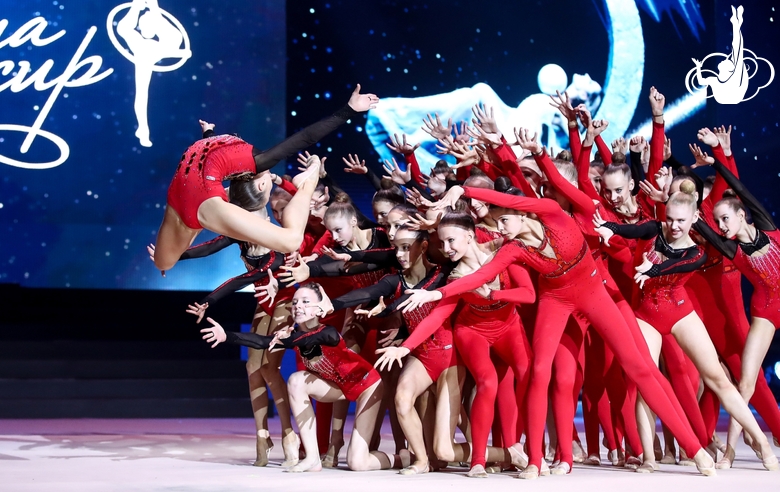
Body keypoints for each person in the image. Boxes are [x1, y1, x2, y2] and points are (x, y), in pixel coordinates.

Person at [396, 185, 717, 478]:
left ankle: (696, 450)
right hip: (556, 298)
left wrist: (462, 189)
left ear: (521, 215)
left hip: (592, 289)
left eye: (503, 221)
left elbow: (510, 200)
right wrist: (437, 294)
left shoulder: (551, 211)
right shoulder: (513, 249)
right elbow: (479, 276)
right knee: (539, 370)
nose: (500, 229)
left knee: (640, 367)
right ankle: (535, 460)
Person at [593, 184, 779, 472]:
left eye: (681, 220)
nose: (674, 226)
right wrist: (609, 228)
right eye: (670, 219)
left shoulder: (697, 253)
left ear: (694, 219)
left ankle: (764, 445)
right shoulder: (654, 228)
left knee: (718, 379)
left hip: (679, 311)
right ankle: (649, 458)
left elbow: (675, 267)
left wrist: (652, 270)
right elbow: (631, 230)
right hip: (646, 314)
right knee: (645, 383)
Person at [151, 86, 379, 274]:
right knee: (290, 240)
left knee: (164, 262)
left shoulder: (243, 159)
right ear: (258, 184)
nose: (271, 177)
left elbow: (304, 138)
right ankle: (308, 182)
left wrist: (208, 133)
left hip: (180, 190)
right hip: (200, 202)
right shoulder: (256, 162)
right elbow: (305, 138)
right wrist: (349, 110)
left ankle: (197, 225)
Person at [376, 212, 534, 478]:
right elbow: (439, 315)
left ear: (470, 236)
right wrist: (405, 347)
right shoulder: (455, 276)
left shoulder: (502, 253)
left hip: (508, 325)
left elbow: (528, 294)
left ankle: (532, 454)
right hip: (471, 331)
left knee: (530, 376)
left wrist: (495, 293)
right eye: (442, 242)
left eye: (451, 241)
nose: (446, 249)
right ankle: (480, 460)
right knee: (488, 382)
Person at [199, 283, 403, 472]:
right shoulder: (293, 334)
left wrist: (287, 338)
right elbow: (264, 341)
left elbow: (307, 338)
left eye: (306, 302)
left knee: (358, 463)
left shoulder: (328, 333)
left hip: (367, 386)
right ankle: (312, 457)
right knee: (296, 380)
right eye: (295, 302)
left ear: (318, 309)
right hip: (338, 387)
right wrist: (227, 335)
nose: (298, 306)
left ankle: (401, 459)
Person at [692, 129, 780, 465]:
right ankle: (730, 448)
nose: (720, 224)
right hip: (766, 310)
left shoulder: (767, 225)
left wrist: (718, 161)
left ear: (742, 215)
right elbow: (699, 226)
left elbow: (740, 189)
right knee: (745, 383)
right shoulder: (731, 249)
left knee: (746, 381)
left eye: (725, 218)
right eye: (717, 221)